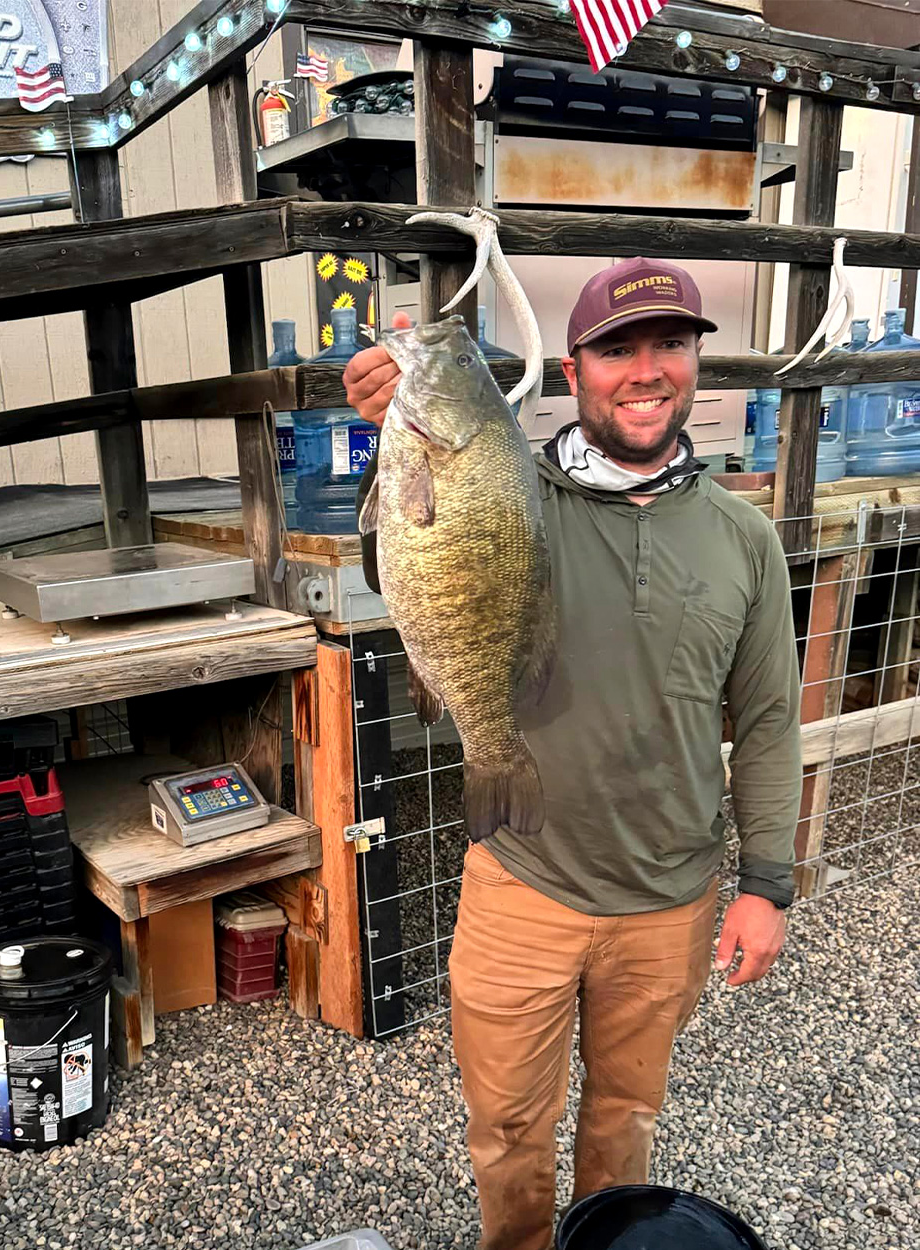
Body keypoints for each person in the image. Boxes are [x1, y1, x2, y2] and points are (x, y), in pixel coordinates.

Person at [345, 259, 801, 1250]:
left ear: (695, 362)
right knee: (507, 1131)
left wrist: (766, 879)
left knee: (624, 1123)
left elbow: (767, 716)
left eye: (670, 345)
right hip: (522, 879)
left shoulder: (744, 537)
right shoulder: (510, 487)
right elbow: (402, 559)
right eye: (617, 349)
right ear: (573, 367)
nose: (646, 371)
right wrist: (390, 438)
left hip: (670, 896)